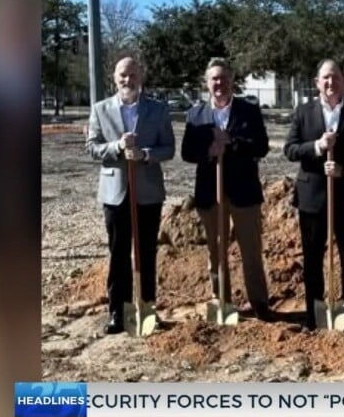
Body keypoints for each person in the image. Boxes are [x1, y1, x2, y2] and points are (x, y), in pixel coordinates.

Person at [283, 59, 344, 331]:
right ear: (317, 83)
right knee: (313, 260)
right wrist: (317, 146)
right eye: (325, 78)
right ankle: (315, 317)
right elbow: (290, 149)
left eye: (335, 77)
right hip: (313, 198)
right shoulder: (303, 113)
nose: (330, 82)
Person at [86, 57, 175, 334]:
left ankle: (147, 312)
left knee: (147, 253)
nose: (128, 80)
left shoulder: (158, 110)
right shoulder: (100, 109)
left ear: (141, 77)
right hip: (115, 193)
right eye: (123, 75)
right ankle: (119, 313)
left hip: (148, 191)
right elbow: (92, 147)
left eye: (133, 75)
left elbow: (169, 147)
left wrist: (145, 154)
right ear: (115, 78)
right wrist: (116, 147)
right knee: (118, 253)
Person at [180, 58, 272, 320]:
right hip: (210, 193)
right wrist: (209, 151)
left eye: (223, 78)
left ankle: (259, 302)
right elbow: (187, 152)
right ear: (207, 83)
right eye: (214, 79)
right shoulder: (195, 114)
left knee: (251, 249)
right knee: (215, 250)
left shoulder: (248, 111)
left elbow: (261, 146)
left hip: (244, 192)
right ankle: (222, 302)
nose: (218, 83)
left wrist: (231, 142)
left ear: (231, 80)